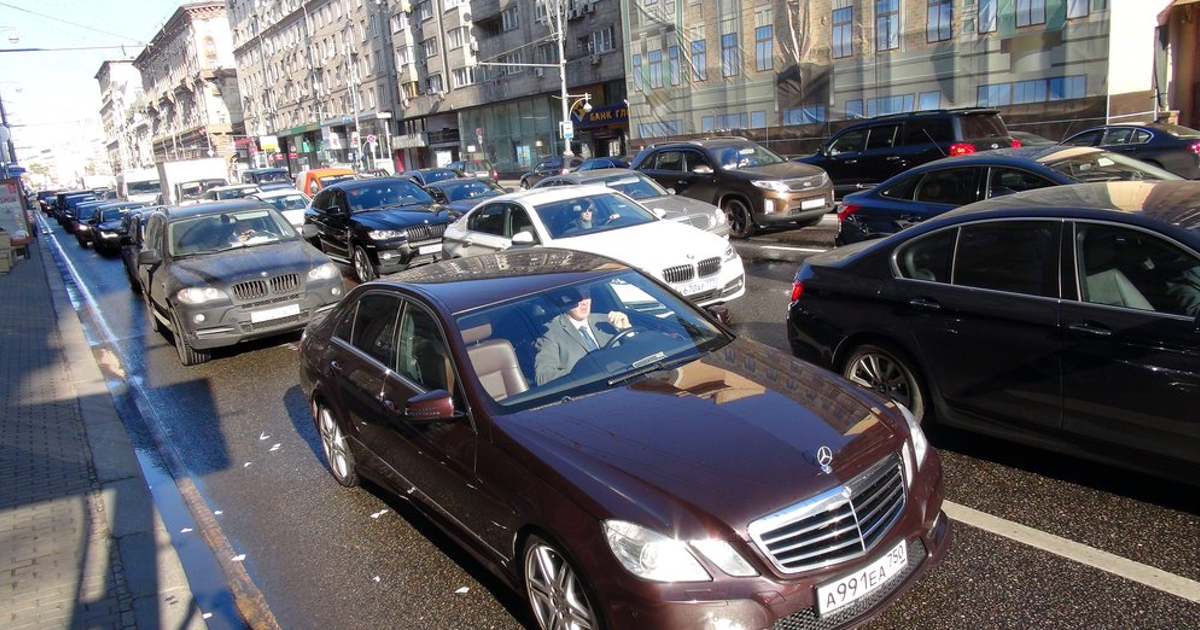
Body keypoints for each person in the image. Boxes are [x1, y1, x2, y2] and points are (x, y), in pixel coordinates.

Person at [534, 287, 631, 385]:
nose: (584, 302)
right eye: (576, 296)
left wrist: (627, 330)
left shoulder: (607, 320)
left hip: (626, 380)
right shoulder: (551, 332)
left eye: (586, 294)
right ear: (563, 299)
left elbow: (635, 354)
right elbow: (543, 376)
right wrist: (581, 378)